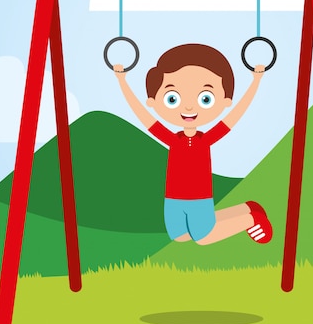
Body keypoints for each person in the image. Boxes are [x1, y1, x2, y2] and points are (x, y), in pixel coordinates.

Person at [113, 43, 273, 246]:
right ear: (153, 101)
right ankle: (247, 208)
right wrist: (122, 81)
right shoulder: (171, 139)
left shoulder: (206, 140)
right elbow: (142, 115)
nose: (188, 107)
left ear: (225, 100)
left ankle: (251, 218)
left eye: (205, 98)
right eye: (173, 98)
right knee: (181, 237)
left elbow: (236, 115)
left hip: (199, 199)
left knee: (203, 238)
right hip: (173, 200)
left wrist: (256, 81)